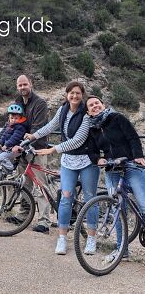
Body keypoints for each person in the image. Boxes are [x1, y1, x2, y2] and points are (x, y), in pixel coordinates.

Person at [27, 81, 101, 256]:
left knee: (90, 199)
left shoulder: (86, 113)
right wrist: (33, 136)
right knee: (66, 198)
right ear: (66, 94)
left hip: (87, 160)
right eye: (71, 93)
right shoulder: (63, 110)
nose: (74, 96)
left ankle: (91, 238)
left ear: (82, 95)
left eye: (77, 93)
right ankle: (62, 238)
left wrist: (53, 149)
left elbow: (78, 140)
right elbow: (50, 126)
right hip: (68, 161)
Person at [86, 94, 145, 264]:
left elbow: (132, 137)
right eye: (91, 105)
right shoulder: (92, 129)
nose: (95, 106)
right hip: (112, 168)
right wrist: (98, 159)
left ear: (103, 104)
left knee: (143, 203)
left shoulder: (117, 118)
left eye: (97, 103)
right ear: (88, 112)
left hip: (130, 164)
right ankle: (122, 251)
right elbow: (91, 150)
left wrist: (138, 156)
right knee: (118, 210)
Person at [13, 73, 52, 232]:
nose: (22, 87)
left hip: (37, 148)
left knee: (40, 184)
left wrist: (25, 142)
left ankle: (44, 221)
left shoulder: (40, 103)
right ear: (17, 87)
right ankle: (23, 216)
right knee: (24, 183)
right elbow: (13, 124)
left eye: (25, 84)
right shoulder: (17, 102)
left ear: (31, 84)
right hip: (22, 148)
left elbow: (38, 127)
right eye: (20, 85)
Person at [0, 104, 28, 172]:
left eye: (16, 118)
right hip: (9, 148)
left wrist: (6, 145)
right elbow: (4, 135)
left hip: (17, 148)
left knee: (2, 157)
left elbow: (15, 138)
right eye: (12, 118)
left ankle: (12, 171)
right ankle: (6, 170)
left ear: (20, 118)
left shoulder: (20, 127)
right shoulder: (9, 126)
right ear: (9, 118)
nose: (13, 120)